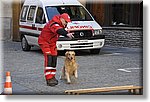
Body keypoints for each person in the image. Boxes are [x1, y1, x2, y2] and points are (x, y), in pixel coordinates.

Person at [38, 13, 74, 86]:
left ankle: (52, 76)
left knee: (54, 58)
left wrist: (68, 34)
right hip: (44, 42)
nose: (66, 23)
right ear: (61, 19)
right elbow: (58, 30)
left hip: (52, 43)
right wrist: (66, 34)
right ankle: (48, 78)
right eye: (66, 21)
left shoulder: (61, 25)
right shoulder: (53, 23)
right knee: (49, 58)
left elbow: (61, 30)